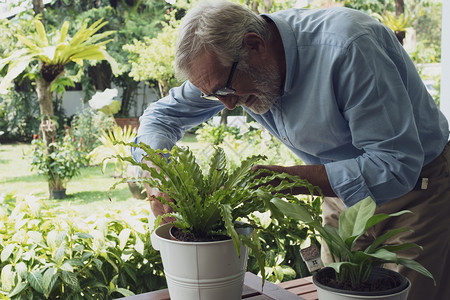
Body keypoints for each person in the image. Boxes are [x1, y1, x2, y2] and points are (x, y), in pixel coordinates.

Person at [131, 1, 449, 299]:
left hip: (415, 193)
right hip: (339, 195)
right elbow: (161, 116)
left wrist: (285, 180)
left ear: (254, 45)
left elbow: (395, 163)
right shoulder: (220, 69)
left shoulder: (349, 47)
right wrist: (156, 168)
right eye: (214, 95)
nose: (227, 104)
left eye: (226, 90)